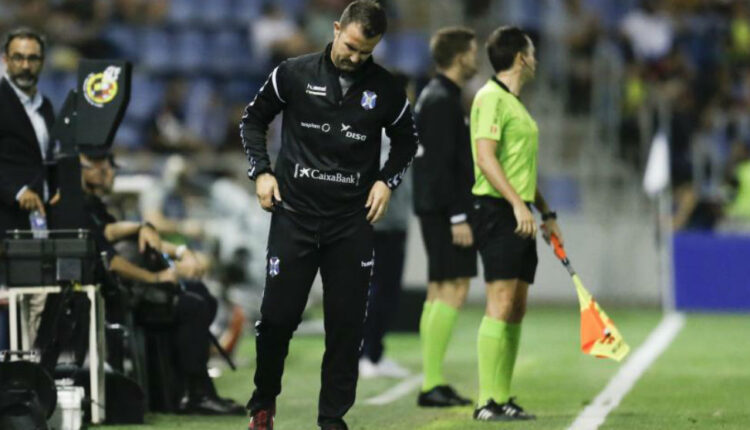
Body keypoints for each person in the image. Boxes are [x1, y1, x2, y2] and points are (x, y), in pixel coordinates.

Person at [240, 1, 418, 428]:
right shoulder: (293, 73)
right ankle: (264, 400)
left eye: (366, 51)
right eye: (351, 46)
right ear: (337, 29)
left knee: (346, 327)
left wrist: (385, 181)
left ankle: (332, 418)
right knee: (277, 320)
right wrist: (262, 173)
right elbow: (252, 120)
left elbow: (407, 142)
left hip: (350, 224)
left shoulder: (387, 88)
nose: (355, 58)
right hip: (294, 215)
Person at [77, 150, 244, 416]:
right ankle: (196, 393)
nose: (111, 173)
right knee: (192, 304)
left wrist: (177, 250)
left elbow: (117, 234)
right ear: (83, 170)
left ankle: (183, 386)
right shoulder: (78, 208)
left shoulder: (93, 205)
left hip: (127, 289)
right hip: (112, 296)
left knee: (200, 293)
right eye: (104, 168)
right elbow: (110, 259)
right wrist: (156, 277)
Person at [469, 26, 563, 421]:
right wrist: (516, 206)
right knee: (500, 302)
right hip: (495, 209)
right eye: (533, 52)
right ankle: (485, 403)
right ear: (521, 58)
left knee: (517, 307)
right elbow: (486, 159)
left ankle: (502, 396)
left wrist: (545, 211)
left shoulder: (515, 104)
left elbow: (519, 169)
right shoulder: (490, 98)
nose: (536, 59)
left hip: (519, 209)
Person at [411, 26, 478, 407]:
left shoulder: (438, 96)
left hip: (436, 205)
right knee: (452, 287)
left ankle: (432, 381)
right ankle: (431, 383)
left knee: (441, 288)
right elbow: (440, 165)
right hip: (444, 207)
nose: (475, 58)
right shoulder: (441, 100)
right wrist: (457, 216)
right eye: (471, 52)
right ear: (459, 56)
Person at [0, 27, 58, 346]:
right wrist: (17, 191)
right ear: (6, 60)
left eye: (32, 58)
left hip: (38, 224)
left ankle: (31, 380)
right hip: (6, 222)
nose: (25, 65)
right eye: (18, 57)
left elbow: (44, 161)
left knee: (38, 305)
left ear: (42, 62)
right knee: (14, 306)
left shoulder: (45, 106)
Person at [359, 73, 413, 379]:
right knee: (373, 290)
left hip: (398, 220)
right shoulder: (376, 127)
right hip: (376, 221)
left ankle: (376, 352)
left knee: (389, 292)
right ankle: (364, 354)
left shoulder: (401, 128)